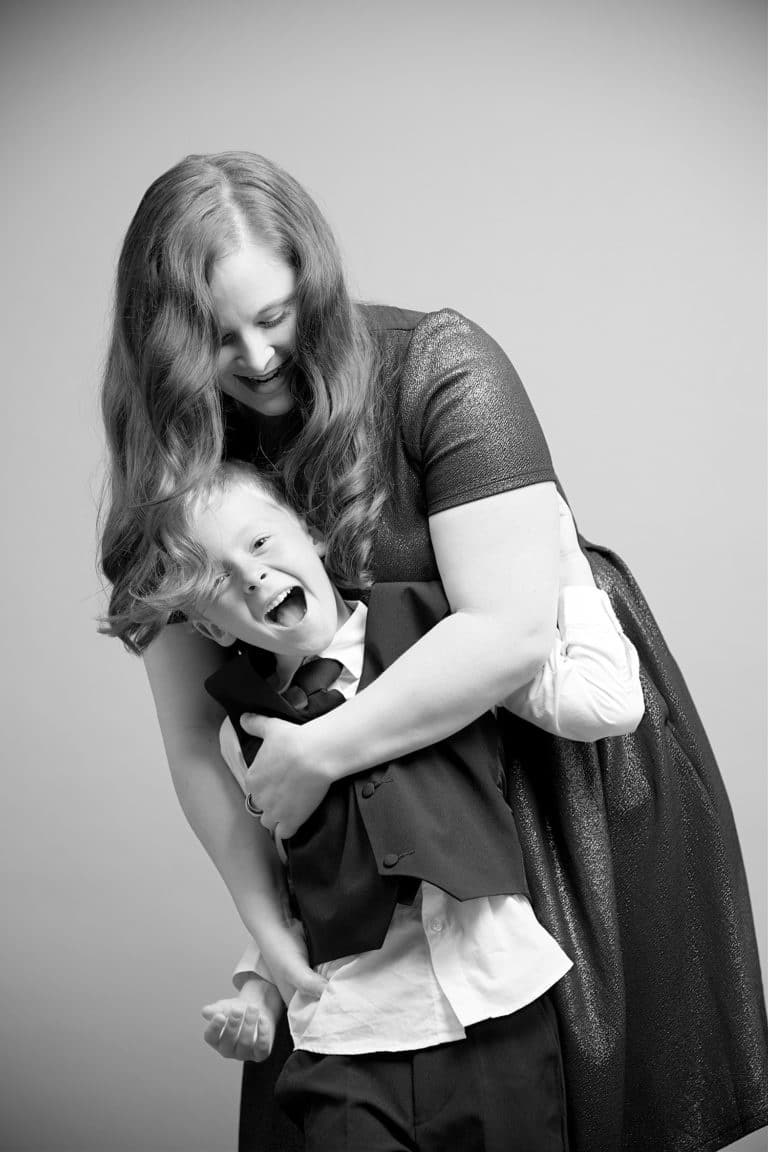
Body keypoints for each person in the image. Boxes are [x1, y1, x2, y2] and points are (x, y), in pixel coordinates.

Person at [99, 151, 768, 1152]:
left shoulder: (441, 367)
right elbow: (197, 739)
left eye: (274, 316)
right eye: (212, 335)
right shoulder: (178, 457)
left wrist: (319, 753)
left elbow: (504, 636)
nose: (257, 355)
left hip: (542, 790)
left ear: (310, 278)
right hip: (362, 854)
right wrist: (270, 931)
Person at [150, 457, 642, 1150]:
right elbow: (294, 876)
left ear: (313, 533)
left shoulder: (447, 637)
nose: (253, 576)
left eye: (260, 545)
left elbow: (605, 703)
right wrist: (258, 990)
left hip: (496, 1011)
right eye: (219, 581)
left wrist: (559, 550)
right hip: (349, 1037)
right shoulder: (243, 734)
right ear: (209, 628)